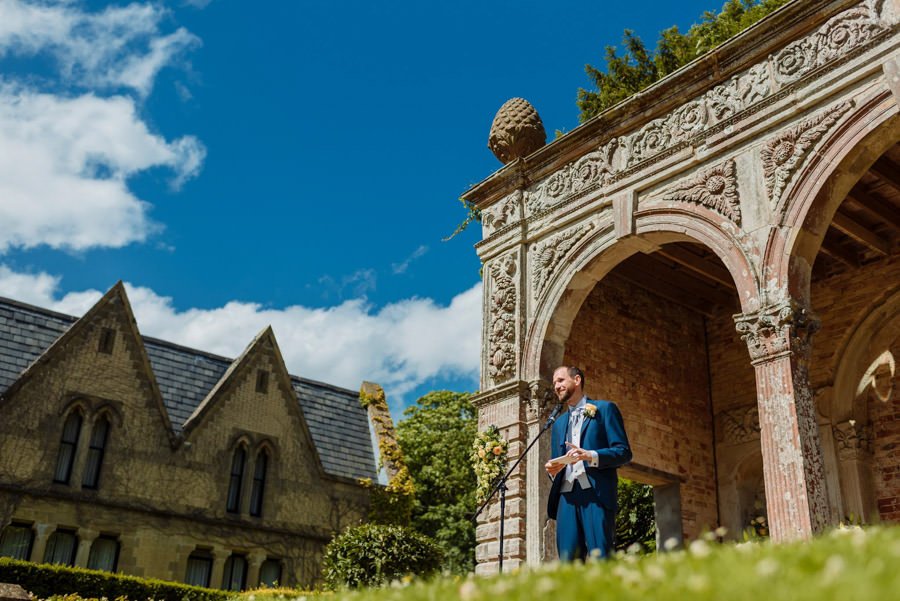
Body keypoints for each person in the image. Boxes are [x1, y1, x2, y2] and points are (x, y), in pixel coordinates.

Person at [544, 365, 632, 561]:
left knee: (602, 558)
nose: (556, 386)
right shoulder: (558, 424)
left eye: (560, 380)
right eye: (554, 383)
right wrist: (553, 470)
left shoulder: (605, 409)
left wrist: (590, 455)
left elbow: (623, 452)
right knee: (568, 562)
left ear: (577, 380)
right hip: (566, 498)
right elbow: (557, 463)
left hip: (596, 494)